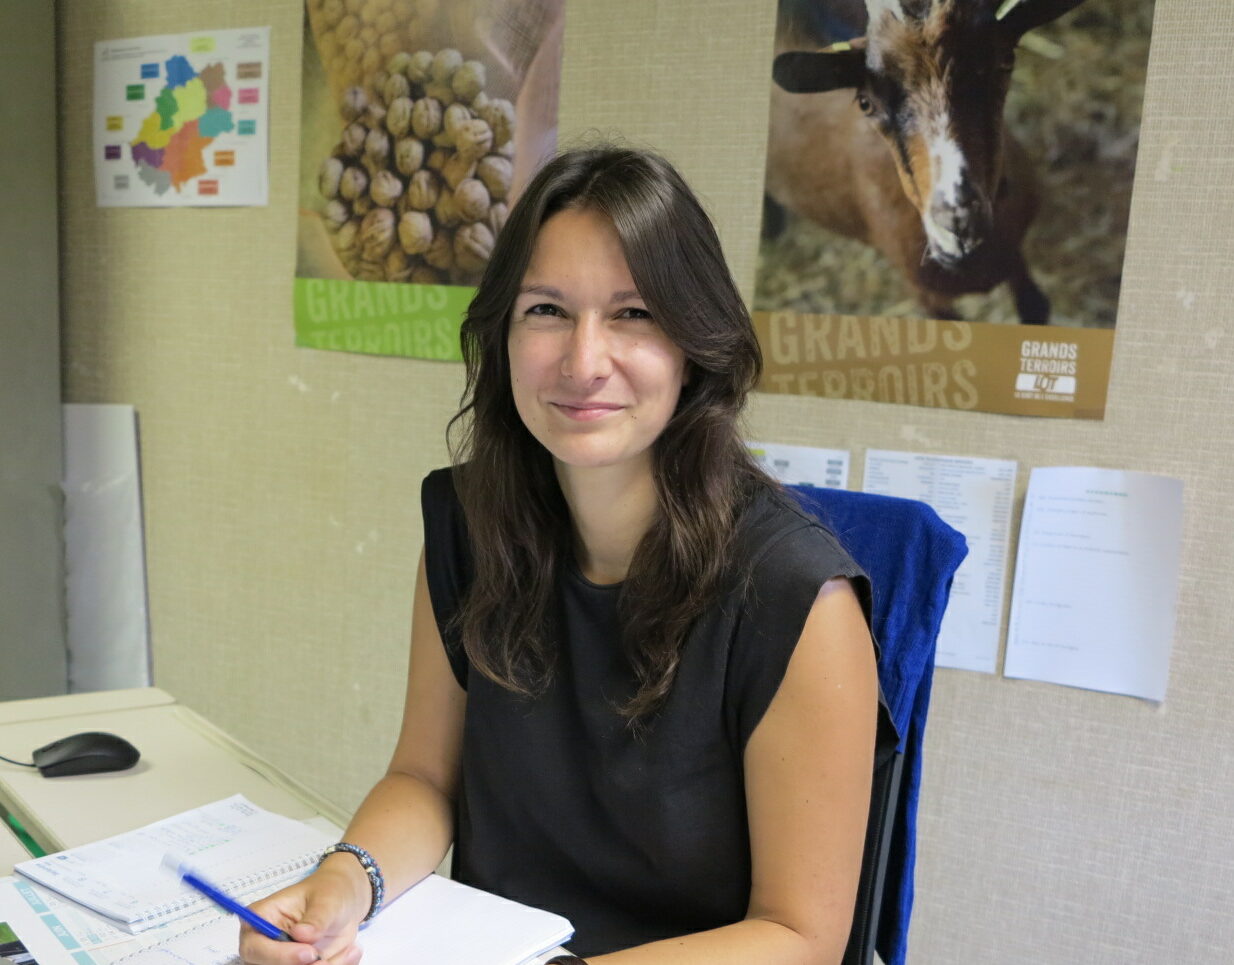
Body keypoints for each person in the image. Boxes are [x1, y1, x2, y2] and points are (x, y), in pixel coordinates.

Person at [240, 146, 892, 965]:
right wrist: (342, 883)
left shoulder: (799, 599)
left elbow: (802, 936)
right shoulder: (470, 527)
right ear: (504, 333)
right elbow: (424, 779)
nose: (584, 363)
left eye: (634, 313)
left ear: (695, 342)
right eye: (547, 309)